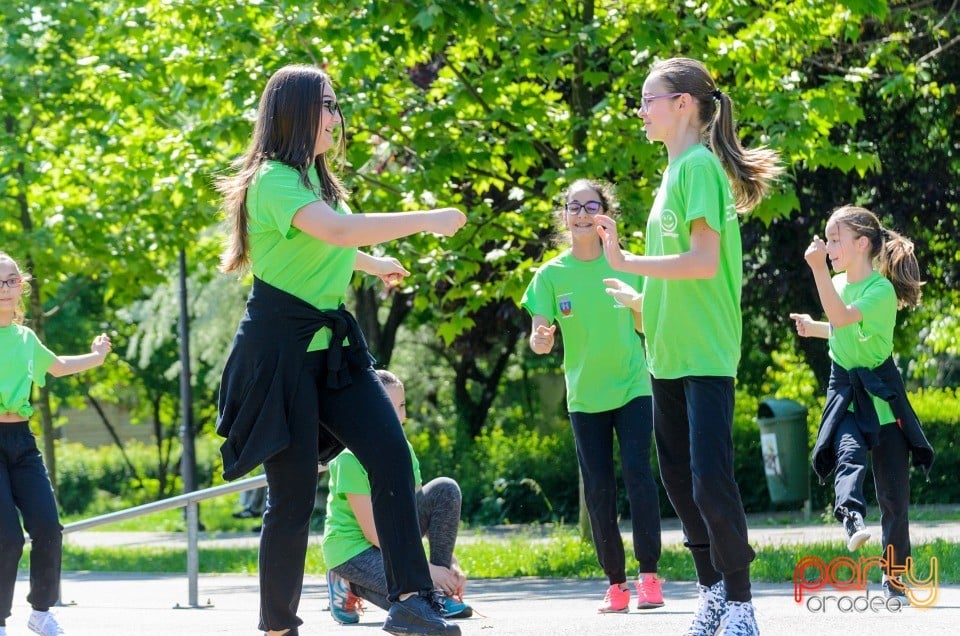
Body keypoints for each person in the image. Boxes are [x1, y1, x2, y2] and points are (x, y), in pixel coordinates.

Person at [214, 65, 466, 636]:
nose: (336, 116)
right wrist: (428, 220)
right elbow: (336, 231)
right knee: (293, 497)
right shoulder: (272, 179)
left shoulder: (312, 182)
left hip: (332, 349)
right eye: (326, 105)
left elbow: (328, 241)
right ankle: (278, 624)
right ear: (294, 113)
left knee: (391, 456)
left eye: (336, 104)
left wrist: (373, 264)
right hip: (279, 356)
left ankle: (411, 599)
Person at [595, 57, 783, 636]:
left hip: (704, 352)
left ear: (683, 104)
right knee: (679, 482)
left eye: (648, 98)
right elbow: (675, 278)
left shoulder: (699, 166)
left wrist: (626, 259)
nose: (640, 109)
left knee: (708, 481)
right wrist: (640, 301)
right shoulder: (672, 174)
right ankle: (712, 595)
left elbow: (703, 264)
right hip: (668, 352)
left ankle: (743, 604)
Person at [520, 179, 665, 614]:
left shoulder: (628, 264)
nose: (582, 213)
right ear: (563, 216)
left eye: (592, 205)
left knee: (640, 478)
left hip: (633, 386)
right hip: (584, 397)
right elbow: (538, 338)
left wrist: (638, 304)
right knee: (599, 492)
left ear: (605, 213)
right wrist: (542, 340)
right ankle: (616, 584)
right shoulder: (549, 275)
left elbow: (648, 326)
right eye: (574, 206)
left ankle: (650, 578)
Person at [789, 205, 933, 603]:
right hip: (848, 393)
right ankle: (851, 515)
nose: (829, 246)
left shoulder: (879, 290)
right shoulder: (836, 281)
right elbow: (840, 325)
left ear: (862, 243)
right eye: (828, 239)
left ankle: (896, 577)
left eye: (836, 239)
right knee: (847, 454)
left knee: (893, 498)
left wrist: (817, 270)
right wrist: (815, 328)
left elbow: (844, 315)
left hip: (881, 396)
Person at [0, 252, 112, 636]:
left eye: (12, 280)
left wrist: (97, 357)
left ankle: (41, 612)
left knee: (48, 528)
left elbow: (59, 365)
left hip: (22, 442)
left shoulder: (25, 338)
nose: (6, 288)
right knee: (7, 537)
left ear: (22, 286)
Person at [322, 370, 471, 625]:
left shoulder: (403, 447)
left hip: (389, 541)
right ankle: (348, 581)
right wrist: (426, 570)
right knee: (410, 601)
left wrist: (448, 568)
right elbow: (373, 533)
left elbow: (413, 512)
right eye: (390, 407)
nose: (400, 416)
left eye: (402, 405)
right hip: (354, 550)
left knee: (445, 489)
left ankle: (437, 592)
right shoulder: (348, 457)